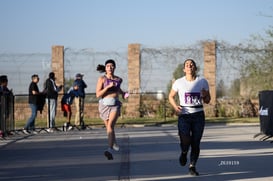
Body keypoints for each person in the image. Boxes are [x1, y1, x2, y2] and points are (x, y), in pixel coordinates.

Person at [168, 59, 211, 176]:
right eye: (187, 65)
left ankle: (192, 166)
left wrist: (205, 95)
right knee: (185, 140)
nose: (189, 66)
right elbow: (171, 96)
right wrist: (175, 107)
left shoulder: (202, 81)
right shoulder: (178, 82)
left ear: (195, 68)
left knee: (196, 142)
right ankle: (184, 151)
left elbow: (208, 100)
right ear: (184, 69)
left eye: (191, 64)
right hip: (184, 115)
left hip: (198, 115)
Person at [96, 59, 128, 160]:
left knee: (110, 126)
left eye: (112, 66)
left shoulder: (119, 79)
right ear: (105, 68)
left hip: (115, 105)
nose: (110, 67)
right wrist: (107, 87)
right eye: (108, 66)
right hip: (104, 105)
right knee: (109, 129)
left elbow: (118, 89)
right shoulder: (102, 79)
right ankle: (114, 143)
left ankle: (109, 149)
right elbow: (98, 94)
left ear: (114, 67)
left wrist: (123, 94)